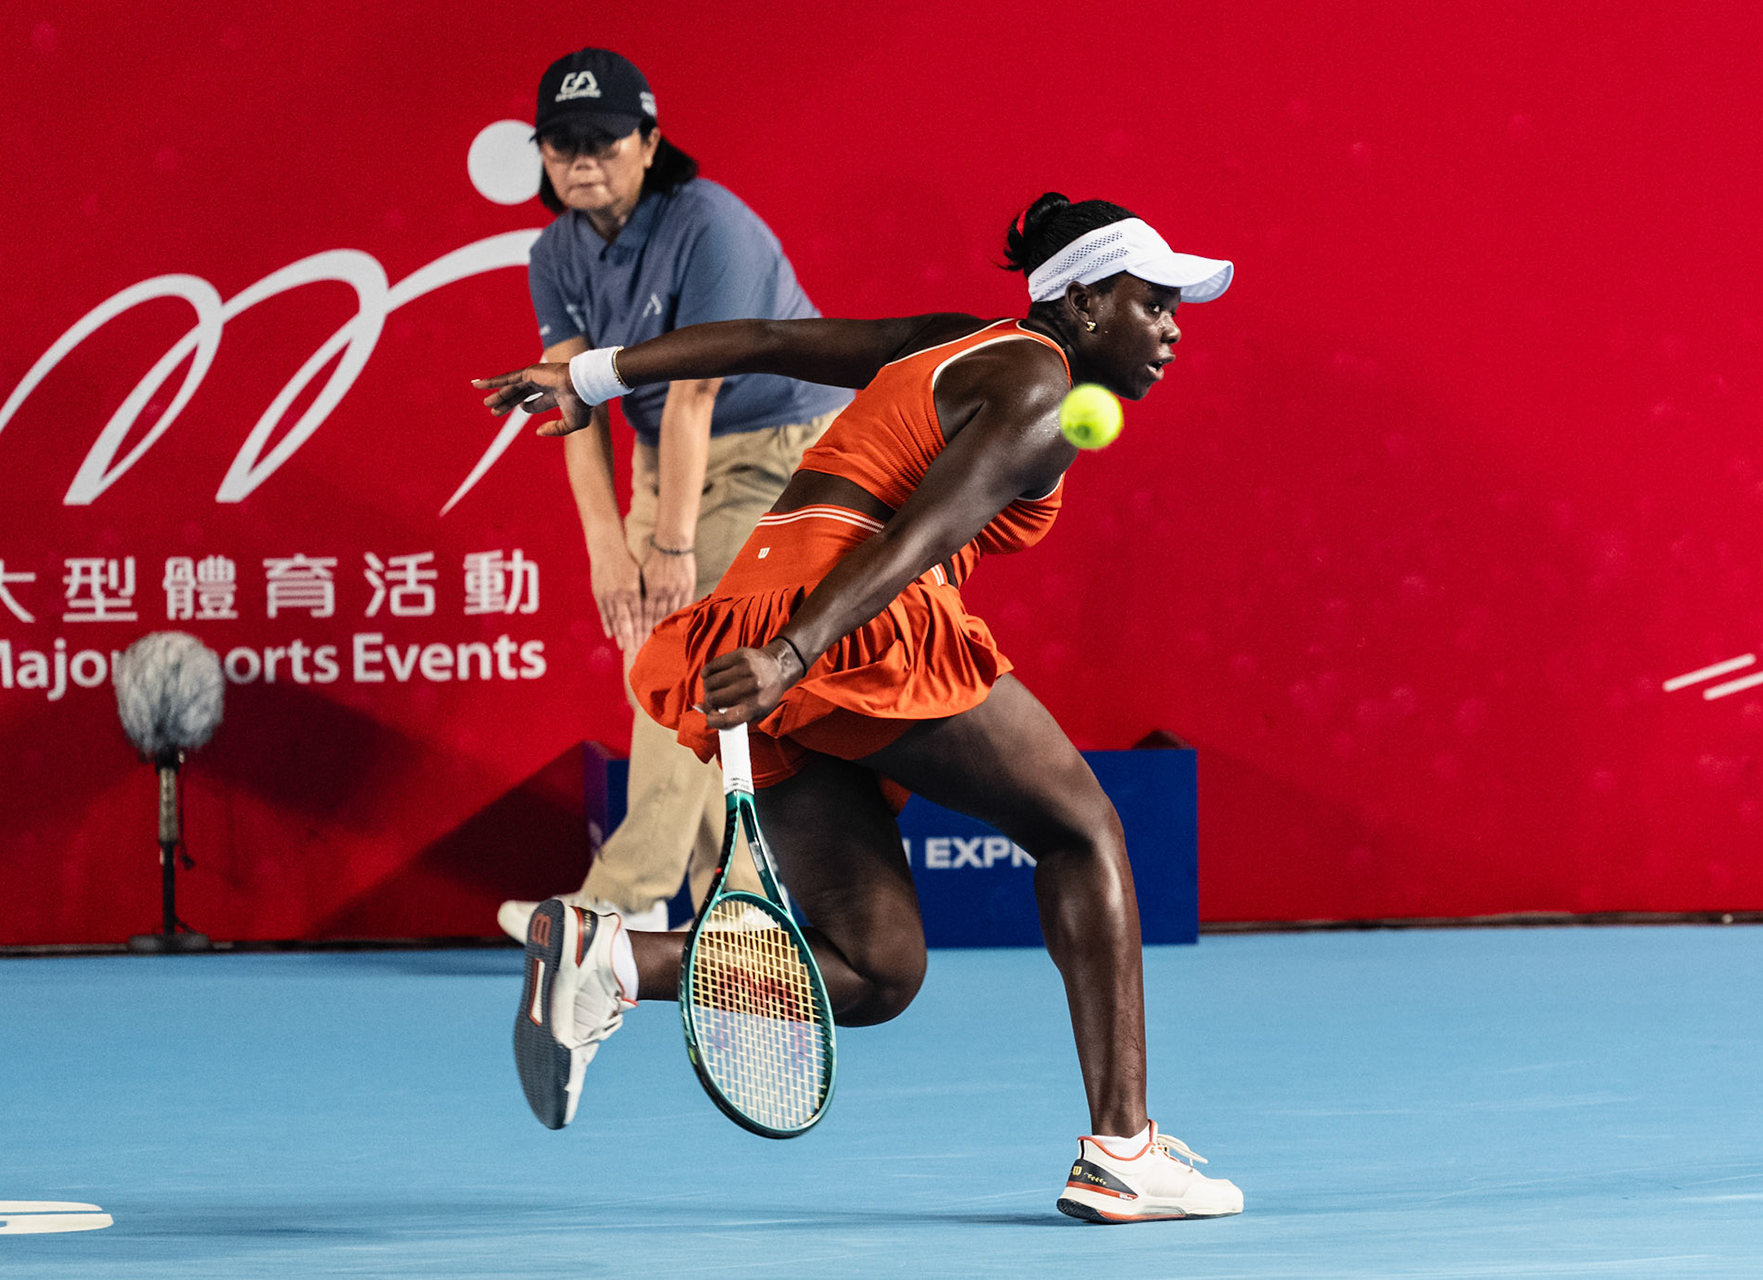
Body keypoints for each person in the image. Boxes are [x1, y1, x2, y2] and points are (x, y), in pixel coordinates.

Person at [477, 193, 1241, 1223]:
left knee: (875, 971)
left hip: (757, 612)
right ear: (1089, 301)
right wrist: (795, 652)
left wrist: (586, 373)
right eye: (1154, 304)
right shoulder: (1043, 391)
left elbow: (763, 339)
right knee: (1083, 828)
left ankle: (608, 956)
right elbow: (915, 539)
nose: (1173, 329)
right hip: (840, 624)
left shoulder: (957, 343)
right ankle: (1123, 1147)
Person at [497, 48, 851, 938]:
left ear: (650, 143)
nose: (582, 160)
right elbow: (568, 400)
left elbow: (699, 390)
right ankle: (737, 909)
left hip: (781, 444)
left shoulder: (710, 226)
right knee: (661, 663)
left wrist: (672, 544)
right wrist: (609, 549)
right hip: (671, 455)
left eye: (604, 140)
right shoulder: (555, 252)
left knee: (687, 654)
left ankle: (624, 893)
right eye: (561, 143)